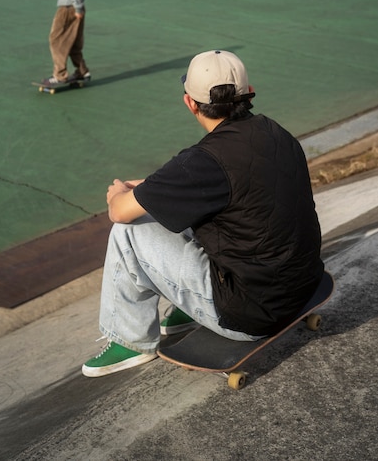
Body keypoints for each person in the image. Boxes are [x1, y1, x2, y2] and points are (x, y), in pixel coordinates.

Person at [82, 50, 324, 377]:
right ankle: (188, 310)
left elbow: (120, 213)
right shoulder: (276, 133)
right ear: (248, 92)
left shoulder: (203, 162)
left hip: (250, 314)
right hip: (305, 284)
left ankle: (131, 340)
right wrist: (152, 188)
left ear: (190, 103)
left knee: (129, 232)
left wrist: (118, 194)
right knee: (185, 210)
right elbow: (225, 184)